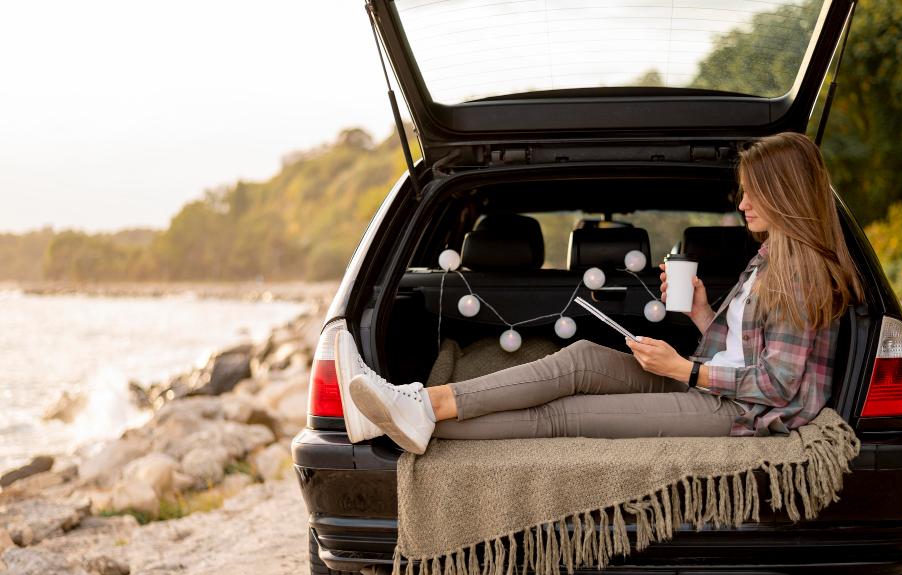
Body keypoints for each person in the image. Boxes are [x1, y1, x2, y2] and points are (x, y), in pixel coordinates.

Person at [336, 132, 865, 454]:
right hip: (713, 388)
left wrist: (683, 369)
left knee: (565, 416)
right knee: (583, 357)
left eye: (753, 191)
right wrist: (704, 314)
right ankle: (418, 404)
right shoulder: (767, 257)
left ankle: (398, 425)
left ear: (784, 193)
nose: (744, 202)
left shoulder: (802, 271)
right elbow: (747, 353)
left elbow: (777, 386)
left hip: (740, 414)